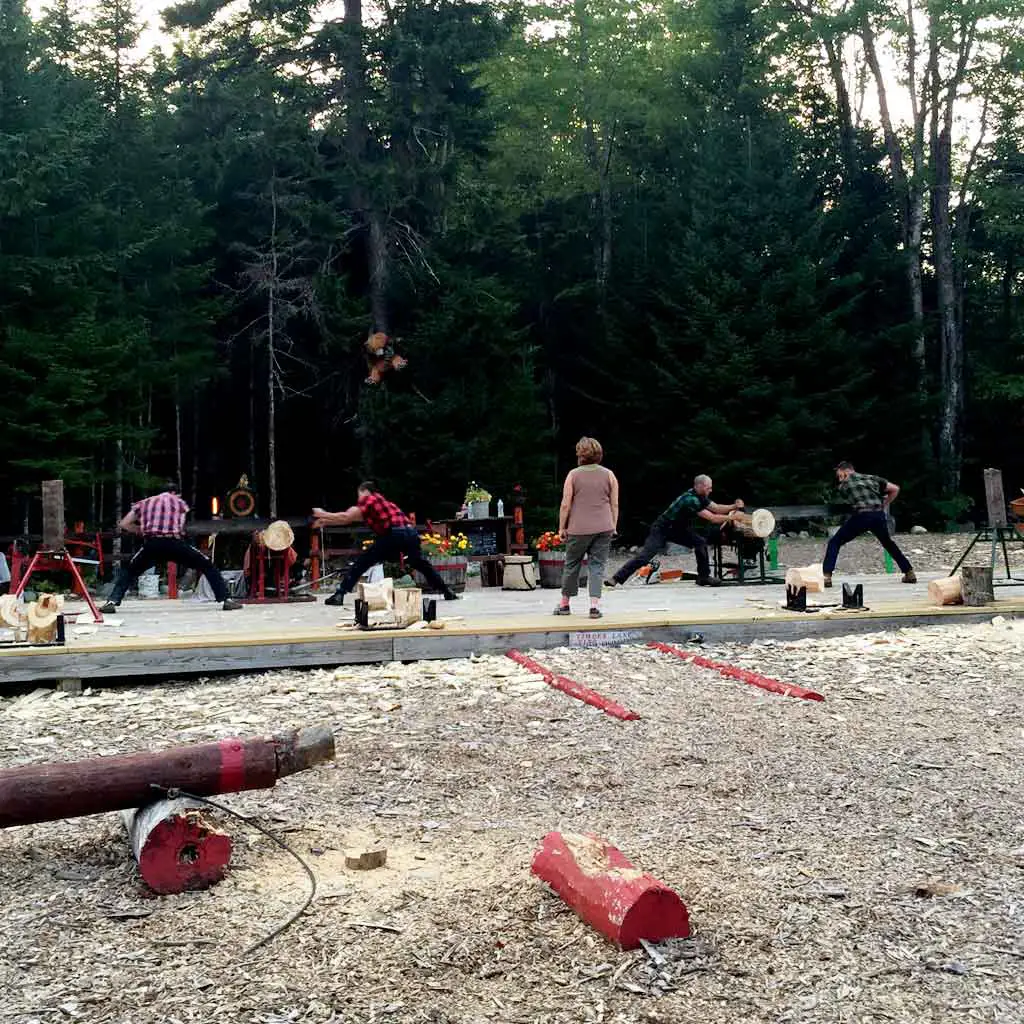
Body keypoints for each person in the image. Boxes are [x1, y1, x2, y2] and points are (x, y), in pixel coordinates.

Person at [100, 482, 242, 612]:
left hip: (152, 544)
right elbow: (179, 527)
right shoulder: (179, 502)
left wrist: (140, 530)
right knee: (207, 565)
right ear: (175, 493)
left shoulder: (144, 503)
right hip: (174, 543)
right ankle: (226, 600)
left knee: (130, 571)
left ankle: (112, 601)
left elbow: (124, 524)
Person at [313, 482, 459, 605]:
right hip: (410, 533)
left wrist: (322, 514)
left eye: (359, 494)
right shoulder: (385, 503)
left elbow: (347, 516)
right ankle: (447, 591)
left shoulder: (368, 499)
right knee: (420, 563)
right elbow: (348, 519)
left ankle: (339, 595)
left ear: (365, 491)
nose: (358, 499)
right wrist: (326, 521)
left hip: (393, 534)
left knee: (362, 563)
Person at [606, 474, 744, 588]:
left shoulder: (700, 496)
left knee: (700, 543)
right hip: (662, 529)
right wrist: (733, 516)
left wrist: (734, 505)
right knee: (645, 556)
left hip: (678, 529)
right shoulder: (690, 500)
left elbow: (717, 508)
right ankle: (616, 578)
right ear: (700, 486)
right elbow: (713, 518)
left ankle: (703, 577)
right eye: (709, 488)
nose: (711, 490)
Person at [554, 437, 619, 619]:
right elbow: (614, 504)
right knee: (597, 566)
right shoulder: (609, 475)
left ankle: (565, 604)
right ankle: (594, 607)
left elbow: (566, 504)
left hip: (578, 529)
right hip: (604, 527)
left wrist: (562, 527)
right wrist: (613, 525)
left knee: (572, 565)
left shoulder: (573, 475)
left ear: (580, 455)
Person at [823, 462, 916, 587]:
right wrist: (885, 504)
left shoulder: (844, 484)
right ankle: (909, 572)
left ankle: (826, 577)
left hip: (862, 516)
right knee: (888, 543)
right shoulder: (873, 478)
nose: (838, 477)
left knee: (835, 542)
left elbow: (844, 494)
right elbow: (895, 489)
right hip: (878, 515)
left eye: (839, 474)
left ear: (845, 471)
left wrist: (842, 481)